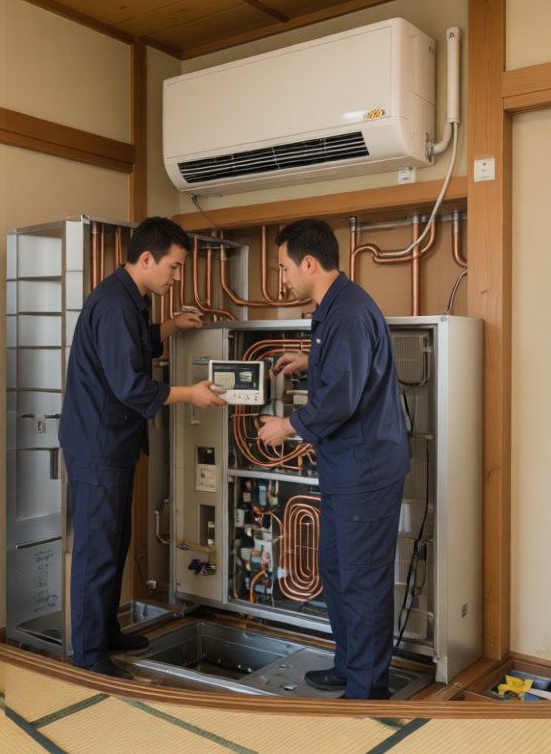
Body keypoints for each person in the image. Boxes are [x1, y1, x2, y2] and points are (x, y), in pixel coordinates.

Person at [59, 216, 227, 679]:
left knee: (115, 540)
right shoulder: (114, 303)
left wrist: (169, 325)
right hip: (97, 444)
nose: (176, 277)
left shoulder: (129, 298)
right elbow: (131, 384)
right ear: (148, 258)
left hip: (113, 441)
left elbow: (134, 349)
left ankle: (106, 631)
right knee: (97, 548)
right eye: (174, 267)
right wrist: (189, 394)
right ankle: (89, 655)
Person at [256, 218, 410, 700]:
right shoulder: (335, 307)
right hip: (346, 468)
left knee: (362, 580)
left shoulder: (344, 313)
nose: (282, 278)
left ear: (308, 263)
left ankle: (367, 691)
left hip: (365, 470)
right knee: (338, 568)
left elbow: (341, 399)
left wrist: (286, 426)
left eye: (283, 268)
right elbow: (345, 368)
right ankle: (350, 667)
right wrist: (309, 360)